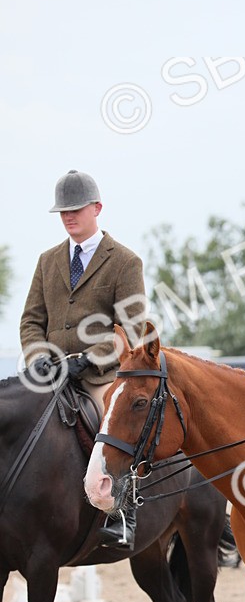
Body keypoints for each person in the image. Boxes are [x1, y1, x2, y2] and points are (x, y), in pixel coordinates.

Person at [20, 169, 146, 551]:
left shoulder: (124, 261)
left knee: (116, 429)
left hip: (98, 375)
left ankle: (122, 513)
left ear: (97, 208)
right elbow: (31, 320)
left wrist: (87, 360)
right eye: (63, 212)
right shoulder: (47, 260)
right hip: (48, 374)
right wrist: (40, 357)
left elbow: (133, 328)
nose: (69, 217)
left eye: (76, 209)